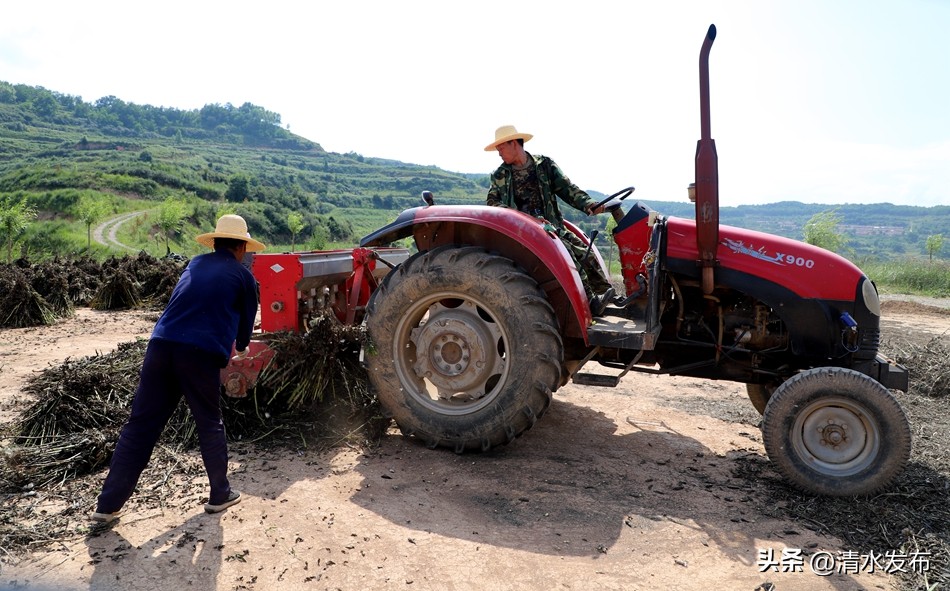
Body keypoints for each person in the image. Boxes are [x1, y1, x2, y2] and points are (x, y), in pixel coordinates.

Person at [90, 214, 265, 524]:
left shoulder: (195, 264)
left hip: (160, 346)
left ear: (214, 244)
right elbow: (244, 331)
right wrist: (239, 348)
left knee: (140, 425)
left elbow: (184, 302)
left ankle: (107, 505)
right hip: (198, 354)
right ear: (241, 248)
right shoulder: (244, 277)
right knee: (209, 422)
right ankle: (220, 494)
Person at [484, 125, 615, 315]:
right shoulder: (500, 175)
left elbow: (567, 188)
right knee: (568, 254)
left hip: (552, 226)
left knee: (583, 250)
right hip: (526, 232)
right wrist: (521, 217)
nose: (499, 154)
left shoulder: (544, 165)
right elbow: (493, 202)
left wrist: (588, 204)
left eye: (501, 148)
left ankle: (607, 297)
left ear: (513, 143)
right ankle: (591, 303)